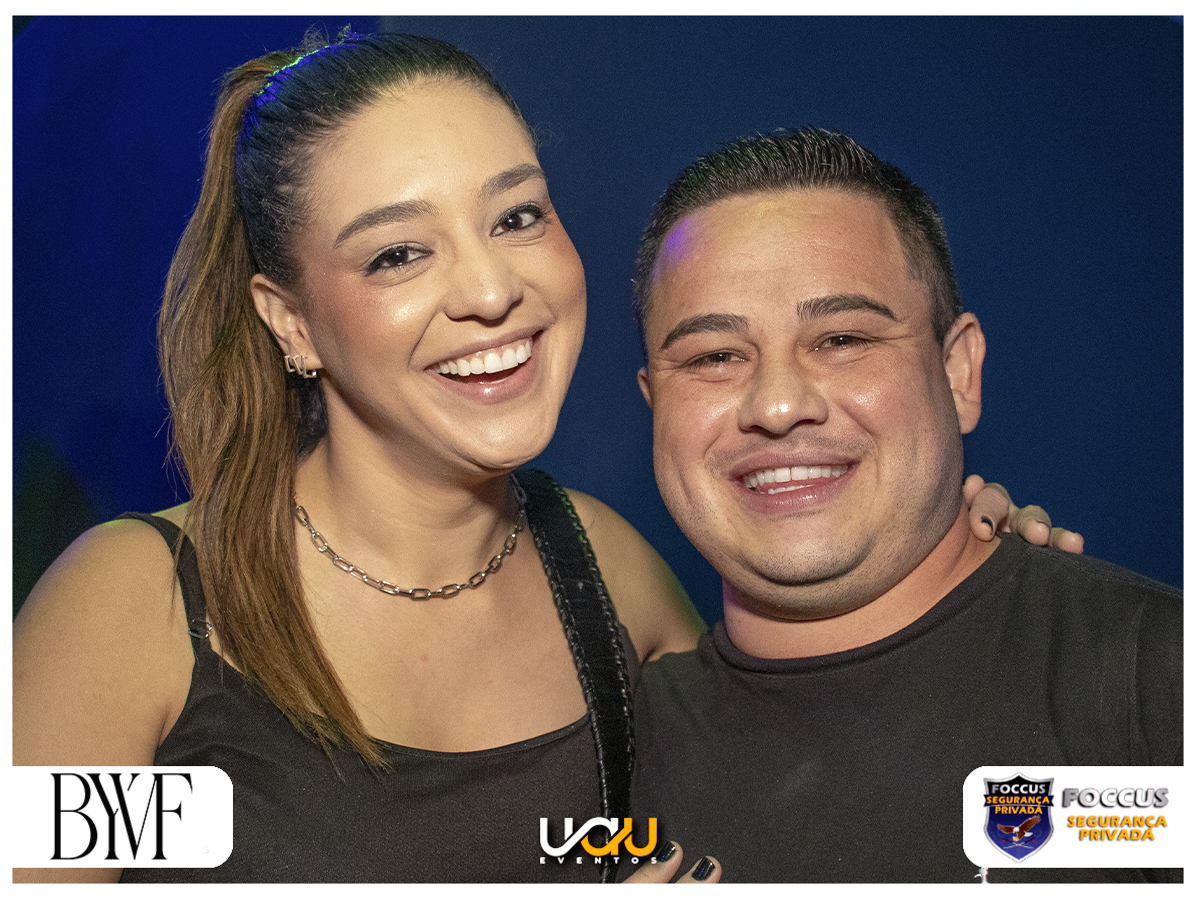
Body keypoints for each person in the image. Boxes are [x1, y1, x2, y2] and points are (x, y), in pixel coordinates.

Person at [12, 32, 1073, 883]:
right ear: (290, 322)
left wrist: (954, 571)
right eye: (399, 253)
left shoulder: (606, 577)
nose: (490, 291)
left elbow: (799, 770)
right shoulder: (139, 607)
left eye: (516, 216)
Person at [628, 128, 1182, 883]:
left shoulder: (1158, 682)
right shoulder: (603, 763)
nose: (779, 405)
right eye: (714, 357)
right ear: (654, 406)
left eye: (842, 339)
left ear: (958, 374)